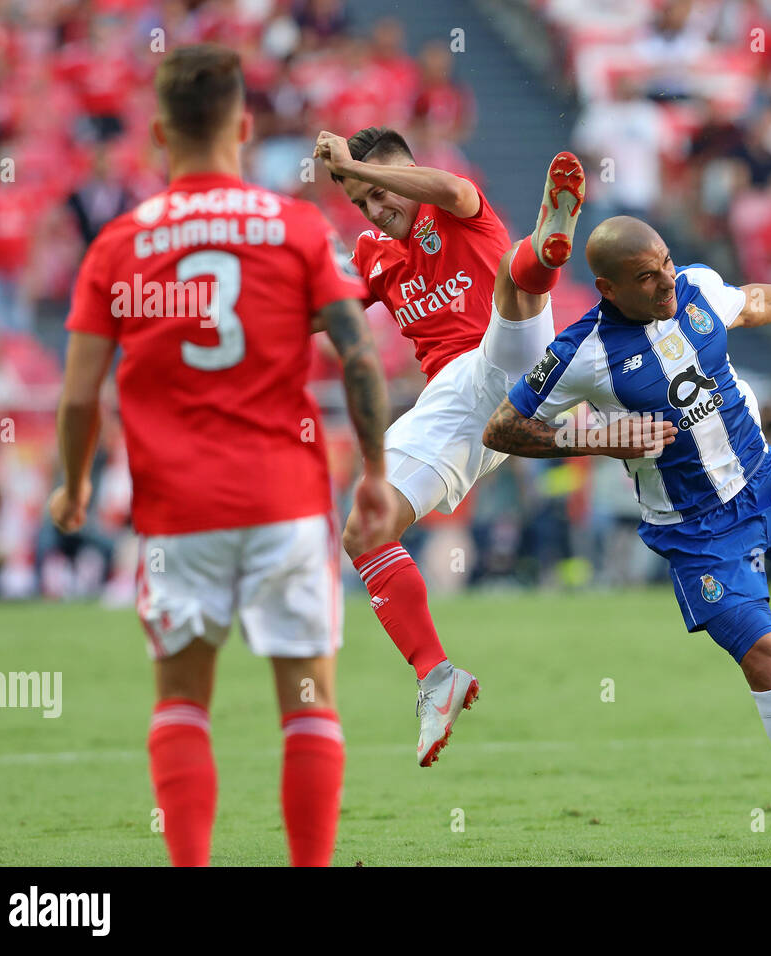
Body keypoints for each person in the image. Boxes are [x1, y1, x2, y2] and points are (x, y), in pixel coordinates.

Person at [481, 216, 771, 853]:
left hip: (768, 480)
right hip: (695, 533)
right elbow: (502, 429)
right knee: (765, 660)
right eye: (647, 277)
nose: (665, 282)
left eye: (668, 263)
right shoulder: (581, 353)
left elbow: (756, 302)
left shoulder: (698, 287)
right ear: (608, 287)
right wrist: (596, 439)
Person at [49, 45, 391, 867]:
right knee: (309, 706)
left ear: (161, 133)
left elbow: (77, 395)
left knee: (180, 705)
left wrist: (71, 487)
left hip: (178, 510)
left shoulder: (119, 244)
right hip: (284, 503)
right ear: (243, 125)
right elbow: (359, 355)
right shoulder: (298, 227)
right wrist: (376, 475)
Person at [313, 129, 586, 766]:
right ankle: (436, 676)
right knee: (364, 529)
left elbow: (448, 187)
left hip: (504, 367)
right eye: (361, 204)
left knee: (513, 305)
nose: (375, 210)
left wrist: (350, 163)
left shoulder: (450, 202)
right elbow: (328, 311)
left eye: (380, 193)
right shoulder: (375, 253)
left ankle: (543, 251)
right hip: (464, 410)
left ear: (406, 171)